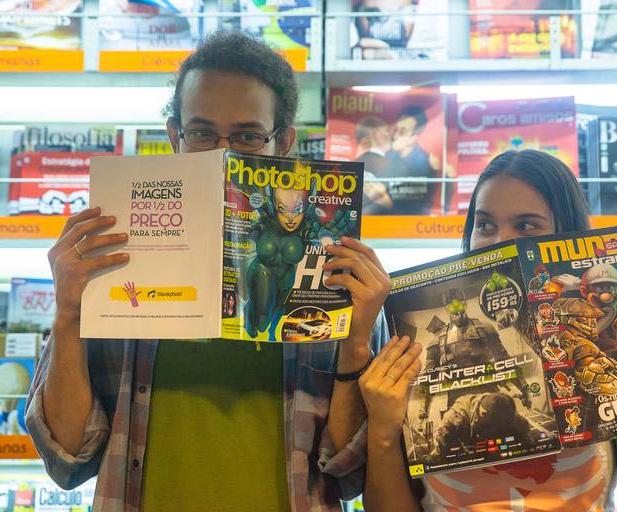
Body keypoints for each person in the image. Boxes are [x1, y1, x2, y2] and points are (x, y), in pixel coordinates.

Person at [25, 31, 391, 511]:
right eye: (201, 133)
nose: (222, 154)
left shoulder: (337, 274)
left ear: (283, 142)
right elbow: (68, 455)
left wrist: (357, 341)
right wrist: (68, 314)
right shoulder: (113, 259)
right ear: (173, 135)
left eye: (247, 136)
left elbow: (348, 472)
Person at [359, 149, 617, 511]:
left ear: (565, 235)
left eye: (526, 226)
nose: (499, 241)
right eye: (484, 225)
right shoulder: (427, 347)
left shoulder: (604, 346)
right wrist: (382, 432)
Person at [386, 105, 441, 215]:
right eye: (397, 129)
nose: (396, 135)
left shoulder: (427, 161)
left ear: (416, 135)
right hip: (386, 218)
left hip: (416, 219)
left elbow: (431, 199)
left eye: (403, 131)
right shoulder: (385, 156)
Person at [355, 116, 395, 214]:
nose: (391, 136)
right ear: (376, 134)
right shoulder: (394, 165)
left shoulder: (351, 167)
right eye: (387, 131)